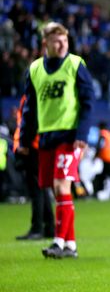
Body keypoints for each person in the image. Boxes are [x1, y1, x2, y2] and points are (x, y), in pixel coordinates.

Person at [20, 22, 95, 258]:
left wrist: (82, 134)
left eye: (65, 39)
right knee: (56, 189)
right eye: (57, 40)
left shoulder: (75, 64)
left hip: (70, 136)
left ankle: (58, 242)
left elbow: (88, 101)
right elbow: (30, 109)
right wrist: (24, 139)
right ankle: (71, 246)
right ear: (45, 43)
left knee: (62, 185)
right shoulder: (34, 70)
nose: (62, 44)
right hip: (47, 137)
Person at [13, 95, 55, 240]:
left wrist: (24, 143)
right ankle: (50, 227)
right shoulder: (40, 94)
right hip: (40, 145)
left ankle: (37, 228)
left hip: (32, 147)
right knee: (41, 188)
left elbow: (30, 121)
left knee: (36, 189)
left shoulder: (31, 96)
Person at [92, 121, 110, 196]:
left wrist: (95, 155)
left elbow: (100, 145)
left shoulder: (103, 134)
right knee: (105, 174)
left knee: (109, 175)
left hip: (106, 157)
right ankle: (100, 189)